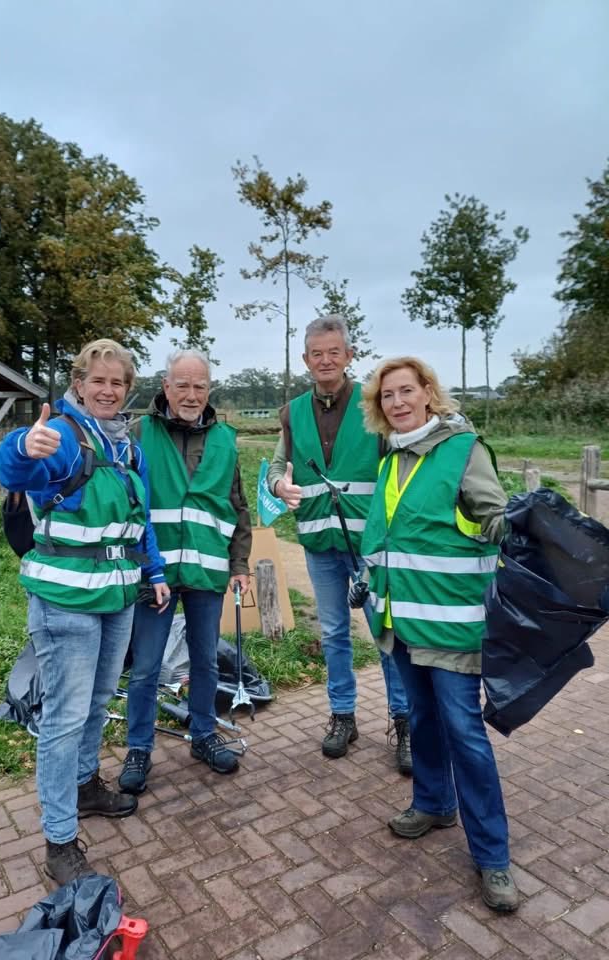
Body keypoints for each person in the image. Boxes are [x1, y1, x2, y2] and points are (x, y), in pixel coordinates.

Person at [0, 339, 170, 885]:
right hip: (66, 602)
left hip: (116, 599)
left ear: (128, 390)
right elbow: (19, 469)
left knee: (97, 701)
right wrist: (26, 445)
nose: (108, 390)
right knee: (65, 718)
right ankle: (59, 839)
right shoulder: (67, 438)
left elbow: (142, 520)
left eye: (118, 382)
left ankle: (86, 783)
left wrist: (156, 572)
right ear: (78, 384)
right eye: (98, 380)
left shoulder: (125, 447)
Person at [354, 356, 518, 913]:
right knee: (421, 719)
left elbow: (495, 520)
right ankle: (432, 802)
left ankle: (494, 858)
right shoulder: (391, 460)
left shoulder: (463, 450)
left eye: (406, 391)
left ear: (428, 393)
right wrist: (367, 579)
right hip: (400, 623)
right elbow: (389, 538)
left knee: (464, 733)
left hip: (449, 627)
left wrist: (528, 523)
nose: (397, 403)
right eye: (387, 397)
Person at [268, 315, 411, 771]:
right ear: (305, 359)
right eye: (316, 353)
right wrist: (277, 487)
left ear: (349, 356)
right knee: (333, 634)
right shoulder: (292, 412)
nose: (325, 360)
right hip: (318, 542)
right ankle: (343, 715)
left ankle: (404, 721)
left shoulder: (375, 405)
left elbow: (402, 464)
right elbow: (275, 468)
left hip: (371, 547)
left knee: (386, 633)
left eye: (334, 351)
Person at [119, 348, 252, 795]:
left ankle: (203, 735)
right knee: (146, 666)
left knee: (205, 660)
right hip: (153, 575)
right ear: (166, 387)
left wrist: (239, 564)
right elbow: (127, 502)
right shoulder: (138, 433)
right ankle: (138, 747)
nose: (191, 394)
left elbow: (237, 507)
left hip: (206, 572)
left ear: (208, 390)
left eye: (200, 386)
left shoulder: (226, 439)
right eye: (183, 385)